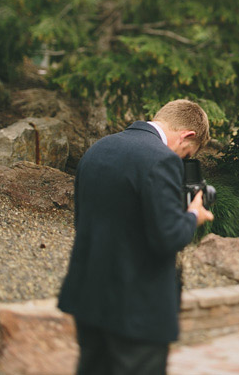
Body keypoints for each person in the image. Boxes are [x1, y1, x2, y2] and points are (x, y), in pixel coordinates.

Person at [58, 99, 214, 375]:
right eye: (187, 154)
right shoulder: (163, 160)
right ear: (187, 135)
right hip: (136, 311)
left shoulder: (99, 148)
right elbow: (168, 237)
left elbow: (86, 221)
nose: (183, 160)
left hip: (89, 300)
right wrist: (192, 216)